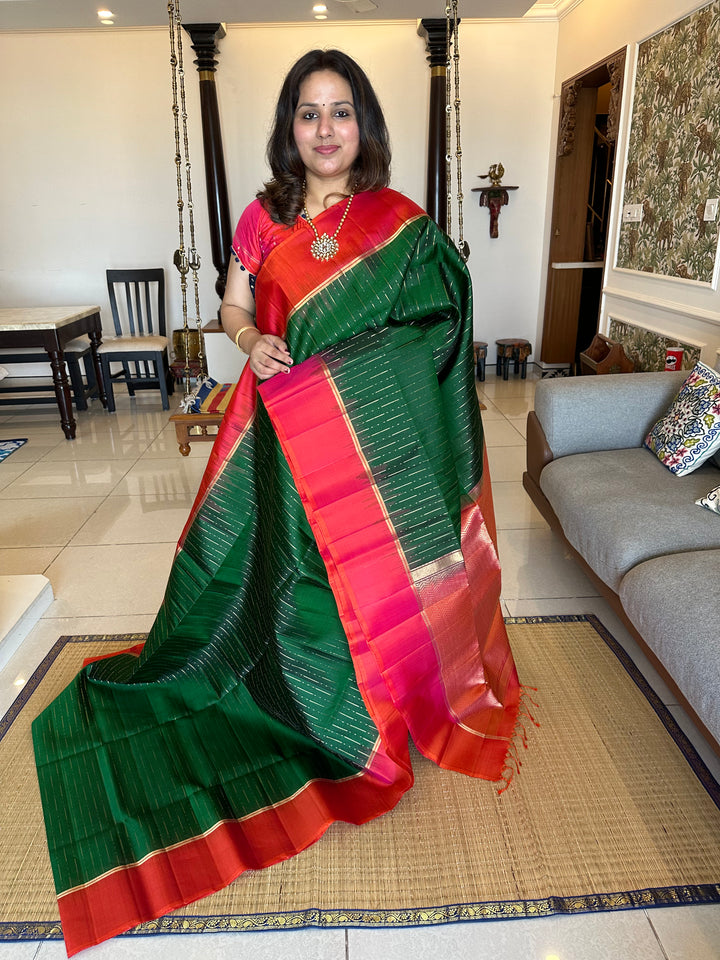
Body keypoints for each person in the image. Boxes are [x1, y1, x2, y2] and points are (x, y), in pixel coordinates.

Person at [32, 49, 521, 957]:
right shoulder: (261, 219)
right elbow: (229, 307)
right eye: (309, 113)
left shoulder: (402, 227)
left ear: (364, 125)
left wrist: (371, 371)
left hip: (366, 442)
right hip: (280, 431)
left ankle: (373, 703)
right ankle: (299, 695)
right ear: (289, 126)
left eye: (342, 112)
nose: (326, 129)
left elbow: (437, 324)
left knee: (362, 573)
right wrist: (253, 336)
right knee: (287, 567)